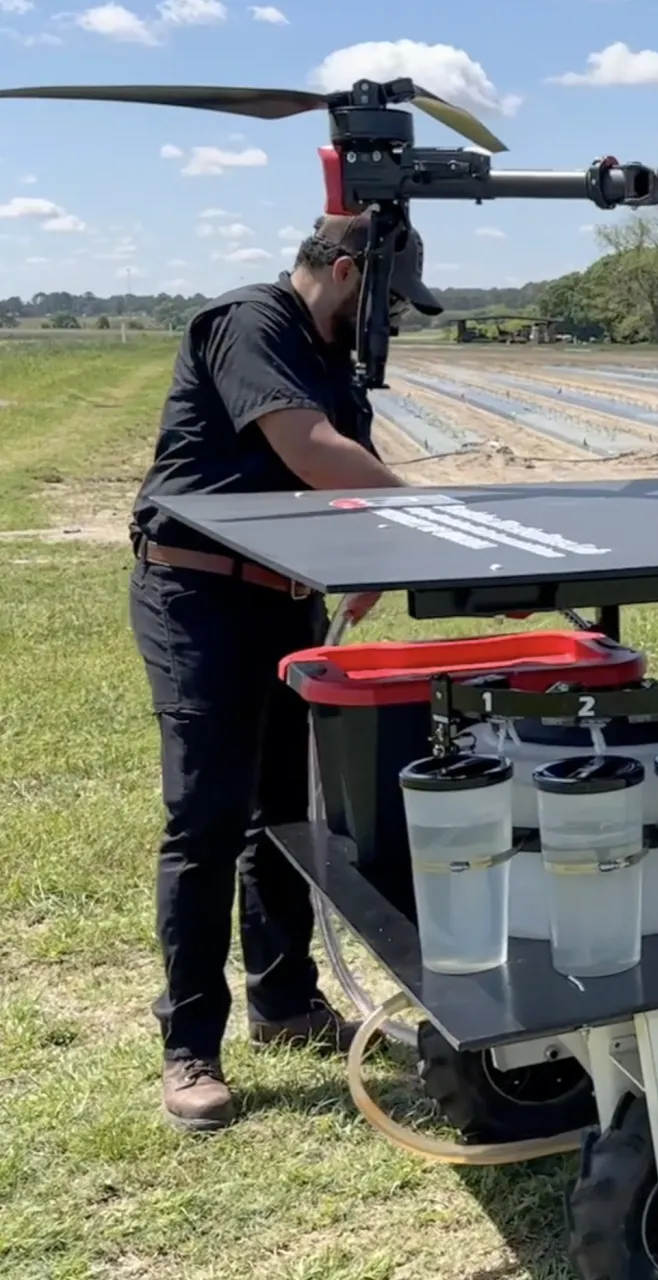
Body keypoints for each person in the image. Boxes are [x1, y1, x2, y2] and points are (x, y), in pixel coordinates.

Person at [128, 211, 442, 1132]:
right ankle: (190, 1047)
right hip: (199, 599)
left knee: (286, 814)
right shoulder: (251, 322)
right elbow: (312, 453)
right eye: (385, 300)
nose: (391, 321)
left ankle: (285, 1002)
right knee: (208, 818)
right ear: (346, 271)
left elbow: (348, 469)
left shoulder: (330, 357)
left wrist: (369, 556)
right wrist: (440, 519)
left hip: (281, 600)